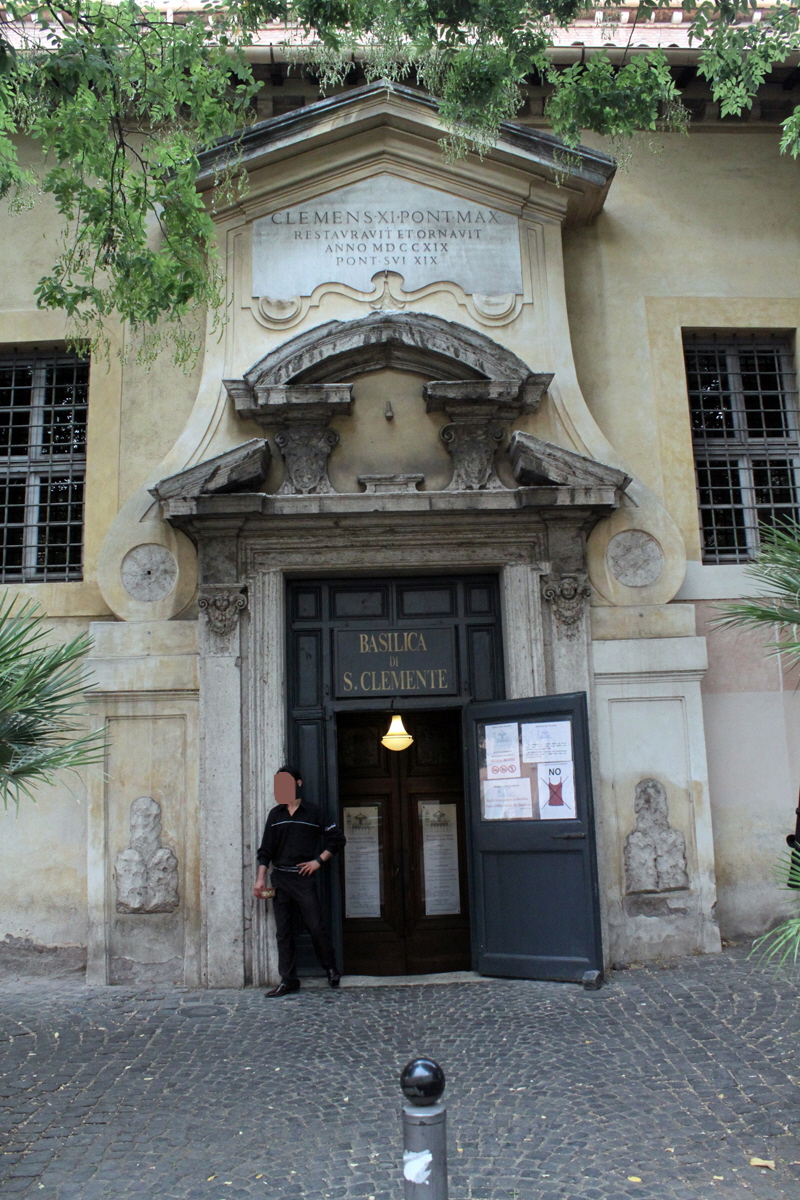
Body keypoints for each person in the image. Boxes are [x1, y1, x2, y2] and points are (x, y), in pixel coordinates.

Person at [254, 765, 346, 997]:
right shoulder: (275, 815)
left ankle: (331, 969)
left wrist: (318, 861)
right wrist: (260, 879)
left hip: (303, 879)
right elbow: (265, 849)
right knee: (283, 931)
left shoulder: (315, 813)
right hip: (281, 879)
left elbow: (337, 839)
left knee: (315, 926)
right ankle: (288, 979)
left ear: (298, 784)